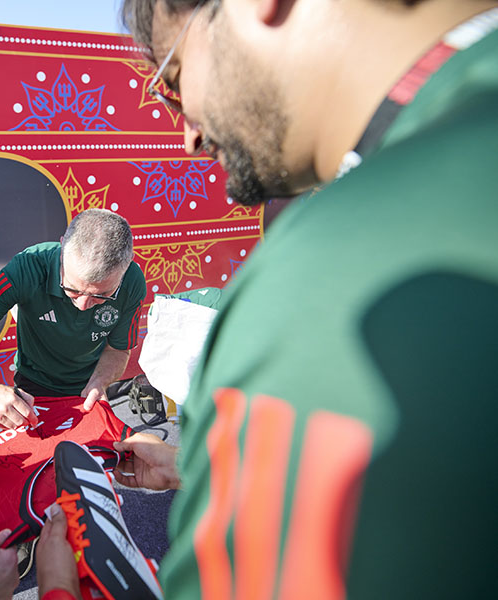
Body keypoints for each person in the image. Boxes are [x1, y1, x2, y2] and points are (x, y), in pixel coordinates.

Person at [39, 0, 498, 598]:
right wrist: (197, 470)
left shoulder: (324, 271)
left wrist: (57, 588)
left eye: (174, 81)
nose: (190, 137)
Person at [0, 208, 147, 429]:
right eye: (72, 289)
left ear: (125, 269)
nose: (82, 305)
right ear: (62, 250)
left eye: (102, 295)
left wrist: (100, 382)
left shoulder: (133, 281)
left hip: (89, 384)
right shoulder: (26, 267)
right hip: (31, 387)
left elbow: (118, 350)